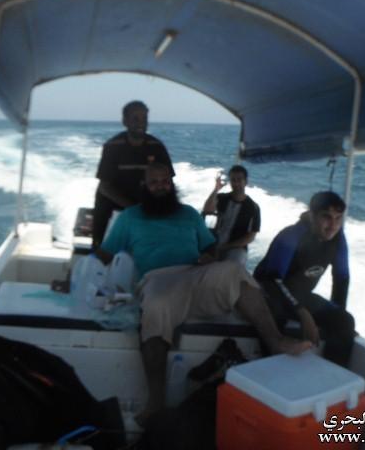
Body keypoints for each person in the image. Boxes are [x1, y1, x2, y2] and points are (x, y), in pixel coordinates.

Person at [96, 163, 311, 425]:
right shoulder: (130, 217)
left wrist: (209, 256)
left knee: (235, 271)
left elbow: (209, 246)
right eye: (154, 182)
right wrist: (83, 276)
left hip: (195, 274)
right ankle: (156, 402)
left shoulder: (188, 214)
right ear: (145, 186)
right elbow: (104, 254)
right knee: (157, 304)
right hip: (158, 279)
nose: (161, 186)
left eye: (165, 181)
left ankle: (275, 340)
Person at [253, 191, 355, 367]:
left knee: (345, 321)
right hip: (267, 294)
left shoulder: (338, 239)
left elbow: (342, 278)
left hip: (298, 296)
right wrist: (303, 313)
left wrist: (338, 316)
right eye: (327, 217)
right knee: (277, 316)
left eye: (338, 218)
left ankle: (331, 375)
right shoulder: (291, 235)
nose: (333, 225)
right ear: (312, 215)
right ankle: (268, 368)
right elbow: (273, 280)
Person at [92, 101, 174, 247]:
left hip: (144, 206)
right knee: (105, 251)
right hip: (113, 207)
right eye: (135, 118)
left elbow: (168, 182)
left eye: (144, 118)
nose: (141, 123)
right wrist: (134, 208)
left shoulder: (157, 146)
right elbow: (104, 187)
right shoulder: (112, 146)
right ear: (125, 121)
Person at [202, 165, 261, 265]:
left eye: (239, 180)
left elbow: (251, 236)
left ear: (246, 182)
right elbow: (207, 210)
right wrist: (216, 189)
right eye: (233, 180)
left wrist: (226, 246)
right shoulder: (222, 198)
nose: (236, 183)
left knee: (233, 265)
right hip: (214, 243)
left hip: (235, 248)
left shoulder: (253, 208)